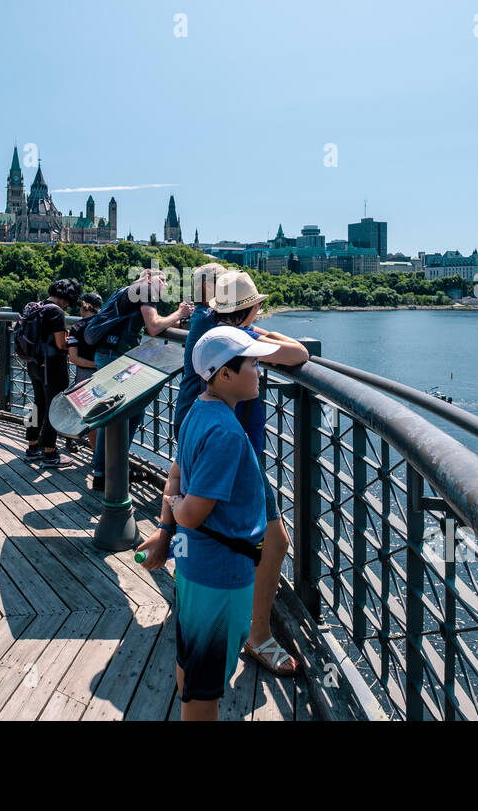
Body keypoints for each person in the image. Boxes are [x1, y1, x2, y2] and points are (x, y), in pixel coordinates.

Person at [139, 270, 309, 677]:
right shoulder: (236, 344)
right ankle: (257, 634)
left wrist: (252, 328)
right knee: (274, 540)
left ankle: (171, 549)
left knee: (193, 508)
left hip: (195, 423)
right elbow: (299, 354)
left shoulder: (203, 323)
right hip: (232, 444)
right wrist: (260, 334)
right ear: (251, 309)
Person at [167, 325, 279, 720]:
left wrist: (172, 516)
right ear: (225, 374)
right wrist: (178, 507)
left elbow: (178, 472)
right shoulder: (227, 433)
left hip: (195, 564)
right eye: (252, 364)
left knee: (192, 660)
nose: (260, 371)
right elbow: (194, 512)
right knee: (206, 688)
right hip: (222, 574)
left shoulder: (198, 410)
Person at [87, 269, 194, 491]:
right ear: (148, 278)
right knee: (121, 414)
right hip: (116, 356)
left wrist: (177, 319)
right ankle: (107, 473)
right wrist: (179, 311)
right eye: (161, 279)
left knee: (119, 414)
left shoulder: (126, 291)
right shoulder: (145, 290)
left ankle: (106, 471)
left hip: (108, 354)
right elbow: (154, 328)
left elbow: (152, 324)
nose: (164, 285)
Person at [22, 278, 81, 468]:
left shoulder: (35, 306)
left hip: (34, 364)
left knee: (38, 404)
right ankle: (50, 453)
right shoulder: (56, 311)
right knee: (53, 407)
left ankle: (32, 447)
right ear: (67, 297)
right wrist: (72, 338)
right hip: (52, 366)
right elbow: (60, 343)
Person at [65, 291, 102, 451]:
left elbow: (73, 358)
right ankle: (107, 455)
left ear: (83, 306)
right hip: (107, 373)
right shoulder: (105, 324)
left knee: (89, 415)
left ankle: (96, 454)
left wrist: (94, 364)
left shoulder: (77, 328)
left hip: (84, 375)